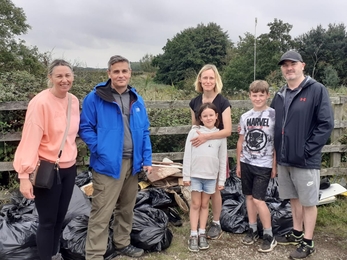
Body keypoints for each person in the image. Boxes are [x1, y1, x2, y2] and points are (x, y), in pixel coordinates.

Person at [79, 55, 153, 259]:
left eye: (124, 71)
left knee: (126, 209)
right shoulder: (95, 97)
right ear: (109, 73)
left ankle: (122, 244)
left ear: (130, 73)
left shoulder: (136, 99)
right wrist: (100, 149)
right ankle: (94, 254)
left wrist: (146, 159)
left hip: (133, 163)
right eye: (116, 71)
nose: (121, 75)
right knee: (101, 212)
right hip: (108, 164)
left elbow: (144, 130)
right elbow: (85, 127)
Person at [13, 59, 80, 260]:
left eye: (67, 75)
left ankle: (54, 254)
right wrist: (24, 176)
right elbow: (30, 140)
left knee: (60, 218)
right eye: (59, 76)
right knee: (48, 221)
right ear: (50, 77)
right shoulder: (40, 103)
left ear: (72, 77)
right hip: (48, 169)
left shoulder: (73, 101)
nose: (64, 80)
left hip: (69, 169)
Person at [271, 50, 334, 259]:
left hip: (305, 160)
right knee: (293, 199)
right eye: (285, 65)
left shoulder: (317, 90)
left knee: (308, 202)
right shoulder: (280, 95)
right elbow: (273, 123)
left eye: (293, 64)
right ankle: (297, 232)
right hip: (284, 158)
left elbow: (326, 124)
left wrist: (307, 150)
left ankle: (308, 242)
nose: (289, 68)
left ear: (302, 65)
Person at [189, 64, 232, 240]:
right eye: (204, 78)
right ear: (200, 80)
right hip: (200, 153)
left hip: (216, 151)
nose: (208, 81)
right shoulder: (194, 102)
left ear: (216, 80)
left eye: (211, 78)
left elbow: (228, 130)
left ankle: (215, 222)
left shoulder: (223, 102)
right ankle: (198, 225)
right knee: (199, 189)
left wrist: (208, 137)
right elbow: (195, 127)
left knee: (215, 189)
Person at [236, 80, 277, 253]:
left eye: (261, 94)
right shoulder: (245, 116)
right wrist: (238, 162)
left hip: (264, 163)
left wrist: (274, 166)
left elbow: (277, 143)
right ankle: (252, 228)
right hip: (246, 162)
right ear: (250, 96)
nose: (258, 98)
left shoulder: (274, 115)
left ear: (268, 95)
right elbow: (241, 140)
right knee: (250, 197)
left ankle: (269, 234)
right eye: (255, 95)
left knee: (260, 199)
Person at [183, 102, 227, 252]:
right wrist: (186, 176)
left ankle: (202, 232)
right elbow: (187, 154)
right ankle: (193, 234)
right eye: (205, 116)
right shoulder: (194, 132)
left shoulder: (220, 136)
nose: (208, 118)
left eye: (211, 115)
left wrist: (221, 180)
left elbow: (222, 159)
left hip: (211, 177)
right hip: (195, 175)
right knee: (195, 204)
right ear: (200, 118)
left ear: (216, 116)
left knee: (204, 205)